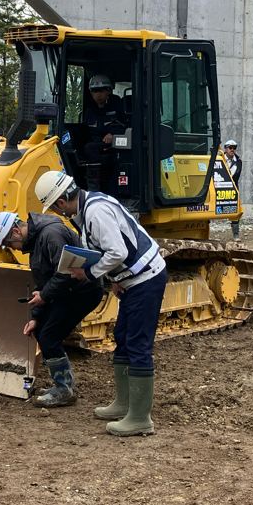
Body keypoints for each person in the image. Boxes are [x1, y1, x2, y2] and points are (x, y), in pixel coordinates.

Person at [33, 170, 167, 436]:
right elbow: (112, 249)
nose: (59, 214)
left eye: (56, 209)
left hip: (145, 279)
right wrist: (114, 277)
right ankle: (123, 404)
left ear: (60, 202)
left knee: (137, 343)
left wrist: (91, 273)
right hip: (132, 279)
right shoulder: (89, 208)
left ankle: (140, 418)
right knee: (123, 336)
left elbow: (118, 251)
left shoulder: (95, 212)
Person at [0, 209, 104, 407]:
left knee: (50, 335)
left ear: (16, 232)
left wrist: (43, 296)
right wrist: (35, 316)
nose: (13, 249)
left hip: (83, 290)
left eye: (9, 245)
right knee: (42, 330)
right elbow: (44, 281)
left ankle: (64, 390)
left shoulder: (51, 235)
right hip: (66, 290)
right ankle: (63, 385)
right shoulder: (38, 241)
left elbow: (65, 273)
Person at [80, 73, 127, 190]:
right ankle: (93, 188)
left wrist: (113, 134)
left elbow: (126, 125)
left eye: (101, 90)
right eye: (95, 91)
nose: (98, 94)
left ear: (109, 91)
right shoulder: (89, 110)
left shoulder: (118, 106)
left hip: (116, 144)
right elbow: (86, 131)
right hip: (96, 146)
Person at [224, 140, 243, 241]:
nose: (232, 150)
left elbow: (237, 176)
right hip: (218, 186)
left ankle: (236, 235)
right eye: (230, 147)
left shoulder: (238, 161)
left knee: (235, 210)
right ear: (225, 148)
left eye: (234, 148)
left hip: (233, 188)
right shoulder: (219, 159)